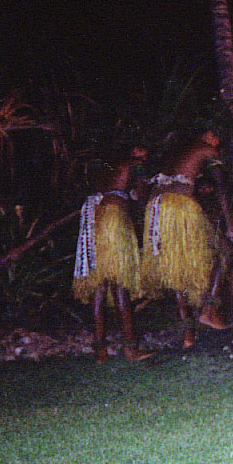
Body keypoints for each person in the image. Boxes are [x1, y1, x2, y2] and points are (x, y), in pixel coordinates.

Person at [139, 129, 233, 349]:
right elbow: (221, 187)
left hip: (156, 207)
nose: (218, 144)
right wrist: (231, 226)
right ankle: (209, 310)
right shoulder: (207, 150)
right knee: (227, 251)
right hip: (177, 205)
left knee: (177, 268)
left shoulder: (178, 151)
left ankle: (188, 335)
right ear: (209, 133)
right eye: (217, 138)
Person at [72, 147, 150, 362]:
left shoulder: (107, 167)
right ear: (134, 150)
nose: (145, 156)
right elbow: (142, 198)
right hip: (113, 218)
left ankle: (100, 350)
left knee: (99, 283)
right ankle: (130, 349)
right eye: (143, 151)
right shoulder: (135, 165)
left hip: (93, 217)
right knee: (119, 283)